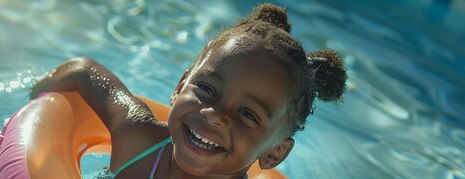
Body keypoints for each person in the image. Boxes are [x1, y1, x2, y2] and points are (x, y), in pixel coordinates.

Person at [29, 3, 347, 178]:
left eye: (247, 114)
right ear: (181, 86)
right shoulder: (137, 139)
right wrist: (34, 102)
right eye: (207, 89)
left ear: (275, 153)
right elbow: (83, 71)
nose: (213, 114)